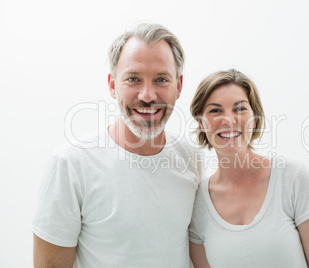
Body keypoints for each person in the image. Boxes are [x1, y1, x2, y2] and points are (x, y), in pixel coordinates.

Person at [32, 23, 203, 267]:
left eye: (161, 79)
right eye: (133, 79)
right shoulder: (71, 164)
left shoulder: (192, 159)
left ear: (179, 85)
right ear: (113, 85)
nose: (147, 95)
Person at [188, 69, 309, 268]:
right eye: (215, 111)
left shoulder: (293, 179)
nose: (229, 120)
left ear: (255, 118)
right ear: (201, 123)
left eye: (239, 109)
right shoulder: (197, 204)